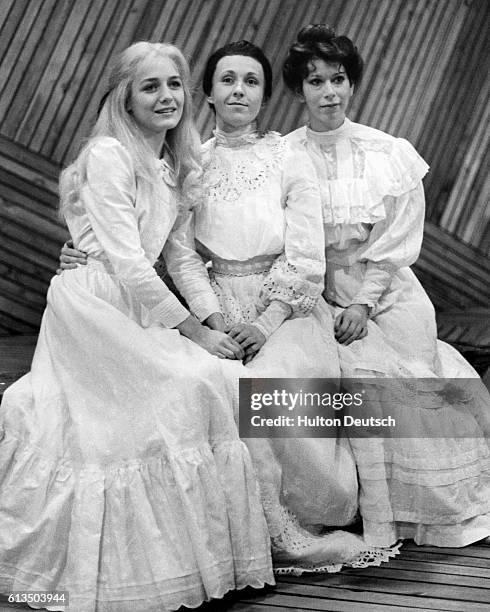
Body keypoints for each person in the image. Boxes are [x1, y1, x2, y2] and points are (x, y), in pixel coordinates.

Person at [59, 41, 397, 573]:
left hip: (284, 306)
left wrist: (263, 324)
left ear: (265, 95)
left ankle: (306, 515)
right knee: (221, 388)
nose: (239, 90)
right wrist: (211, 320)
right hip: (214, 303)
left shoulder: (291, 157)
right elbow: (181, 255)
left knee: (271, 386)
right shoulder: (189, 160)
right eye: (227, 80)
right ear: (210, 94)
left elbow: (306, 254)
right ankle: (238, 529)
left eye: (252, 81)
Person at [0, 42, 274, 612]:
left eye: (174, 85)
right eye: (150, 87)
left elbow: (176, 257)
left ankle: (187, 558)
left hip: (134, 304)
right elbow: (126, 262)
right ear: (125, 95)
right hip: (93, 306)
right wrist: (194, 334)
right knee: (181, 389)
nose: (166, 97)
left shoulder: (174, 163)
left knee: (216, 382)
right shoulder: (108, 154)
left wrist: (212, 322)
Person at [283, 24, 490, 547]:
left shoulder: (387, 153)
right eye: (315, 82)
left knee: (400, 371)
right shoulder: (281, 156)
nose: (329, 92)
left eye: (339, 79)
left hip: (385, 288)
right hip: (313, 291)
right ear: (298, 89)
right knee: (336, 374)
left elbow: (396, 242)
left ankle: (432, 506)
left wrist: (363, 302)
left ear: (352, 84)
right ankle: (353, 505)